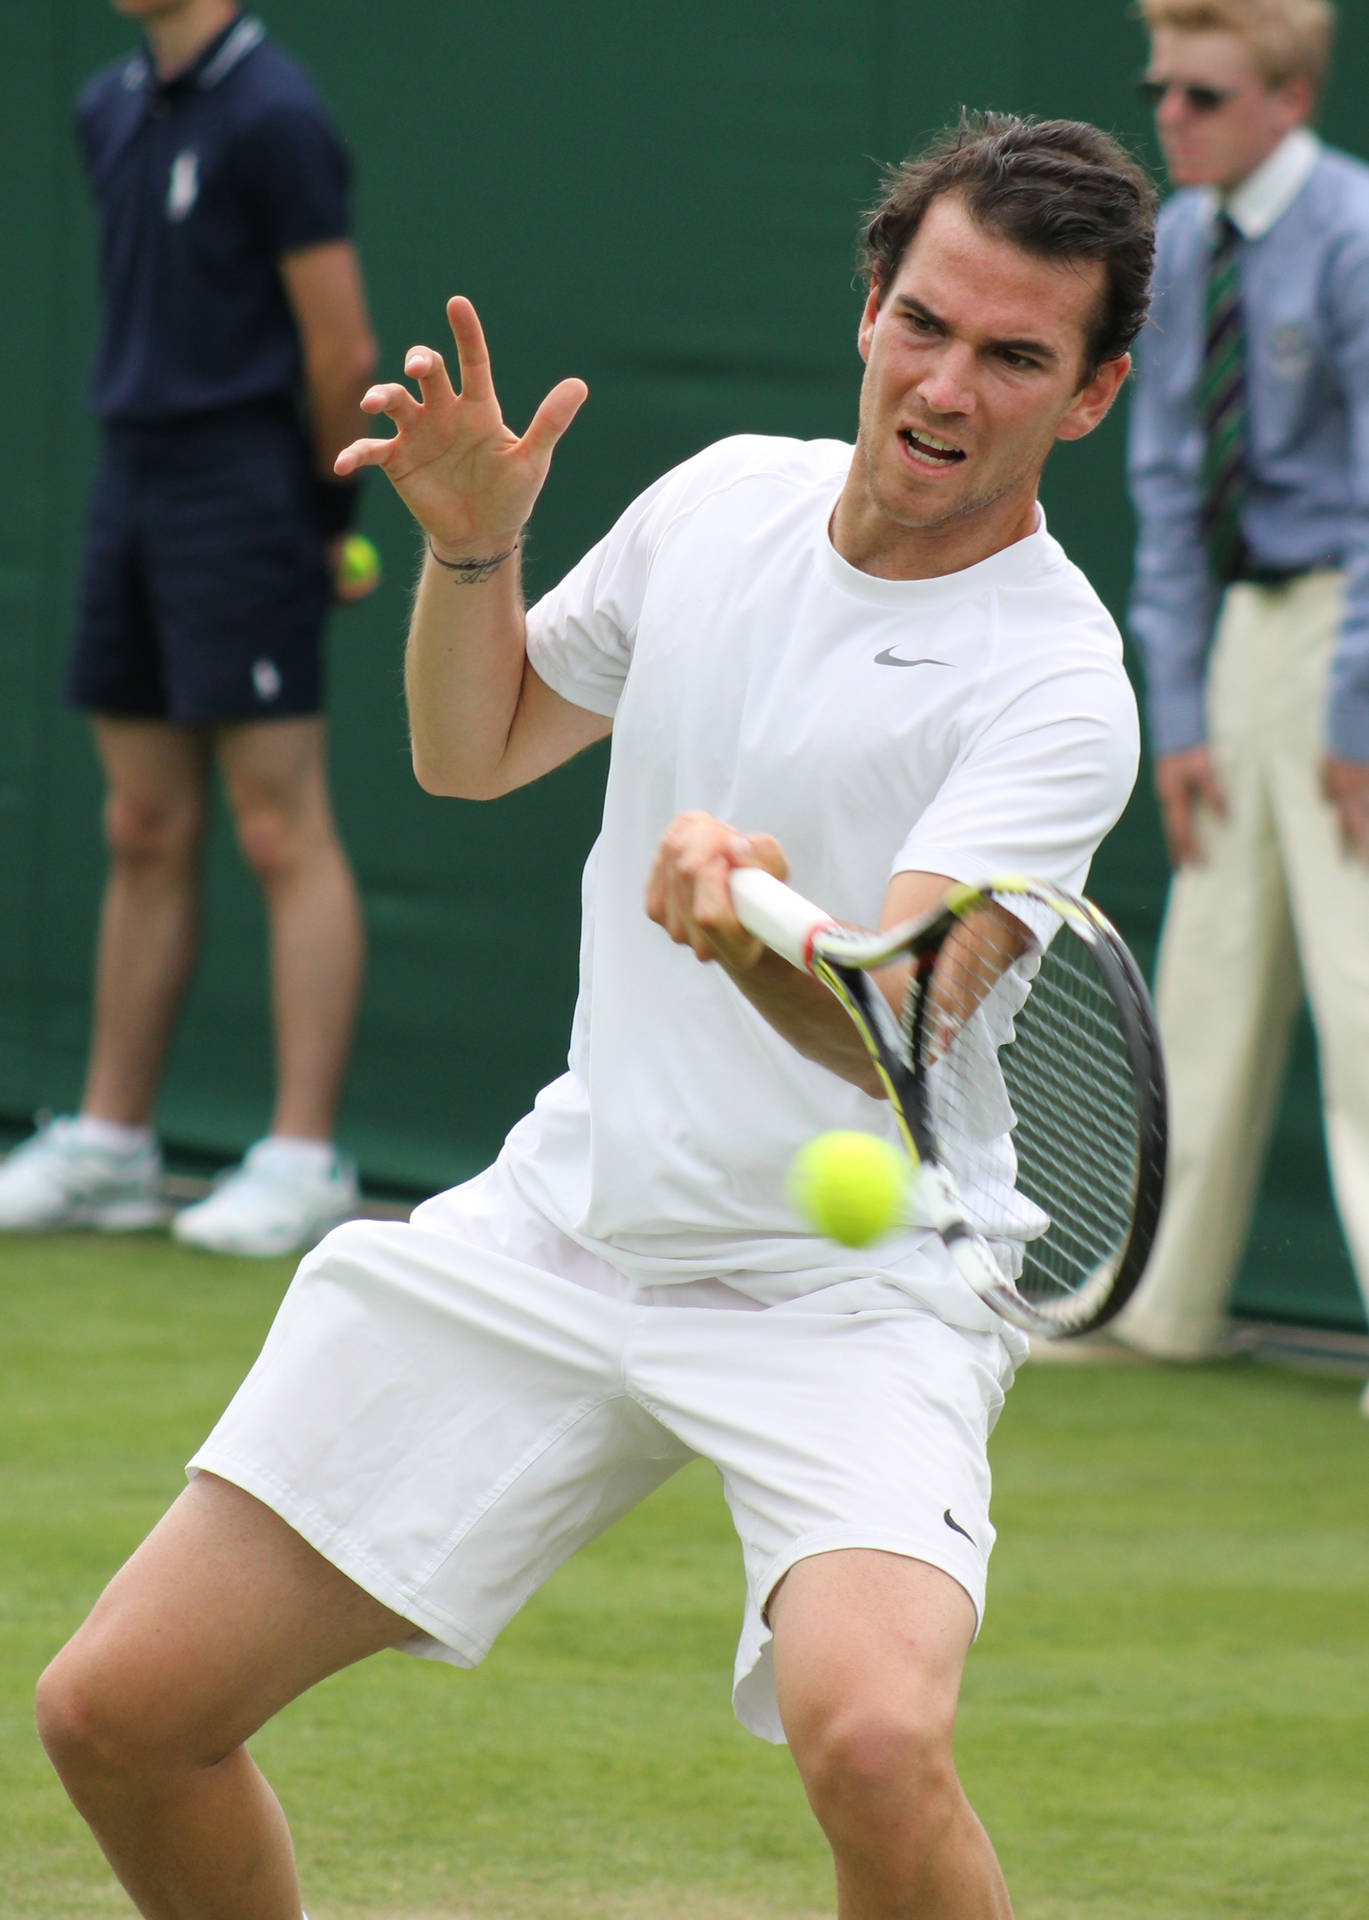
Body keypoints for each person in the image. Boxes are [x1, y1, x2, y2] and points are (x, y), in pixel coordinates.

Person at [34, 113, 1154, 1919]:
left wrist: (749, 937)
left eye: (1014, 356)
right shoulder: (717, 499)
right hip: (572, 1218)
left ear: (1085, 396)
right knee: (118, 1714)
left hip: (846, 1291)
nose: (948, 386)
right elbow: (466, 752)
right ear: (866, 305)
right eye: (925, 325)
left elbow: (901, 1023)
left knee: (870, 1746)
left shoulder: (1054, 683)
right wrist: (471, 556)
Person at [0, 0, 379, 1256]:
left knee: (279, 826)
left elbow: (342, 344)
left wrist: (330, 512)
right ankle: (110, 1142)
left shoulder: (277, 115)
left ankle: (303, 1155)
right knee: (141, 821)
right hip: (134, 480)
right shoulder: (105, 105)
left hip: (249, 491)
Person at [1113, 0, 1369, 1377]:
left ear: (1283, 98)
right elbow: (1162, 492)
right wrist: (1183, 715)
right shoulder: (1186, 244)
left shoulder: (1352, 235)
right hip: (1235, 634)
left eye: (1202, 95)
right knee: (1204, 973)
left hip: (1350, 626)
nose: (1171, 116)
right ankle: (1152, 1302)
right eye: (1161, 88)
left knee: (1362, 983)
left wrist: (1352, 715)